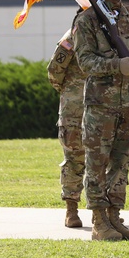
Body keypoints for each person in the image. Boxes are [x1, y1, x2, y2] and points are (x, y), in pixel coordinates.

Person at [71, 0, 129, 241]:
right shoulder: (87, 20)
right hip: (102, 103)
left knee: (121, 162)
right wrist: (116, 65)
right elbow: (85, 61)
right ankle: (99, 220)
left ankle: (115, 216)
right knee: (97, 161)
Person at [47, 14, 87, 228]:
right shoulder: (71, 36)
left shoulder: (108, 36)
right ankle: (71, 210)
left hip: (101, 106)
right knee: (74, 157)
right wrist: (70, 93)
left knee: (103, 160)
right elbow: (54, 71)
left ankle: (104, 212)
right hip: (74, 110)